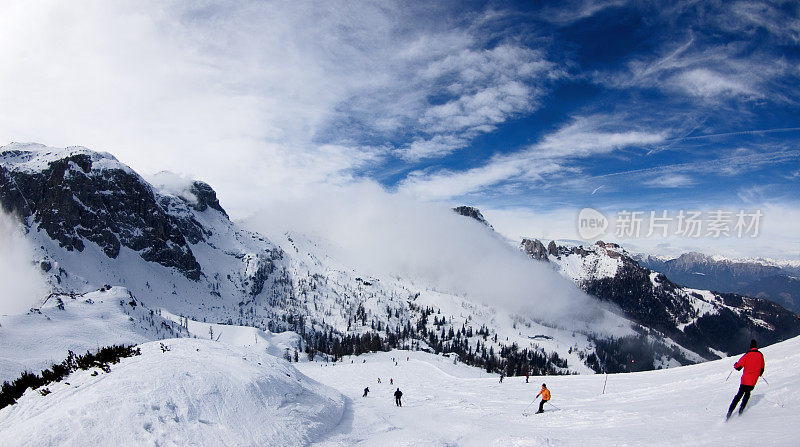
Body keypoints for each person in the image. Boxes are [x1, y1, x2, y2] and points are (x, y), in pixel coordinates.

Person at [727, 339, 765, 419]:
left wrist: (735, 365)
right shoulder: (760, 355)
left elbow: (739, 367)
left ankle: (730, 411)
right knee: (747, 393)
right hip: (753, 381)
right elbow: (762, 369)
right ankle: (742, 409)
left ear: (750, 346)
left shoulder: (747, 355)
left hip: (745, 380)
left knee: (739, 395)